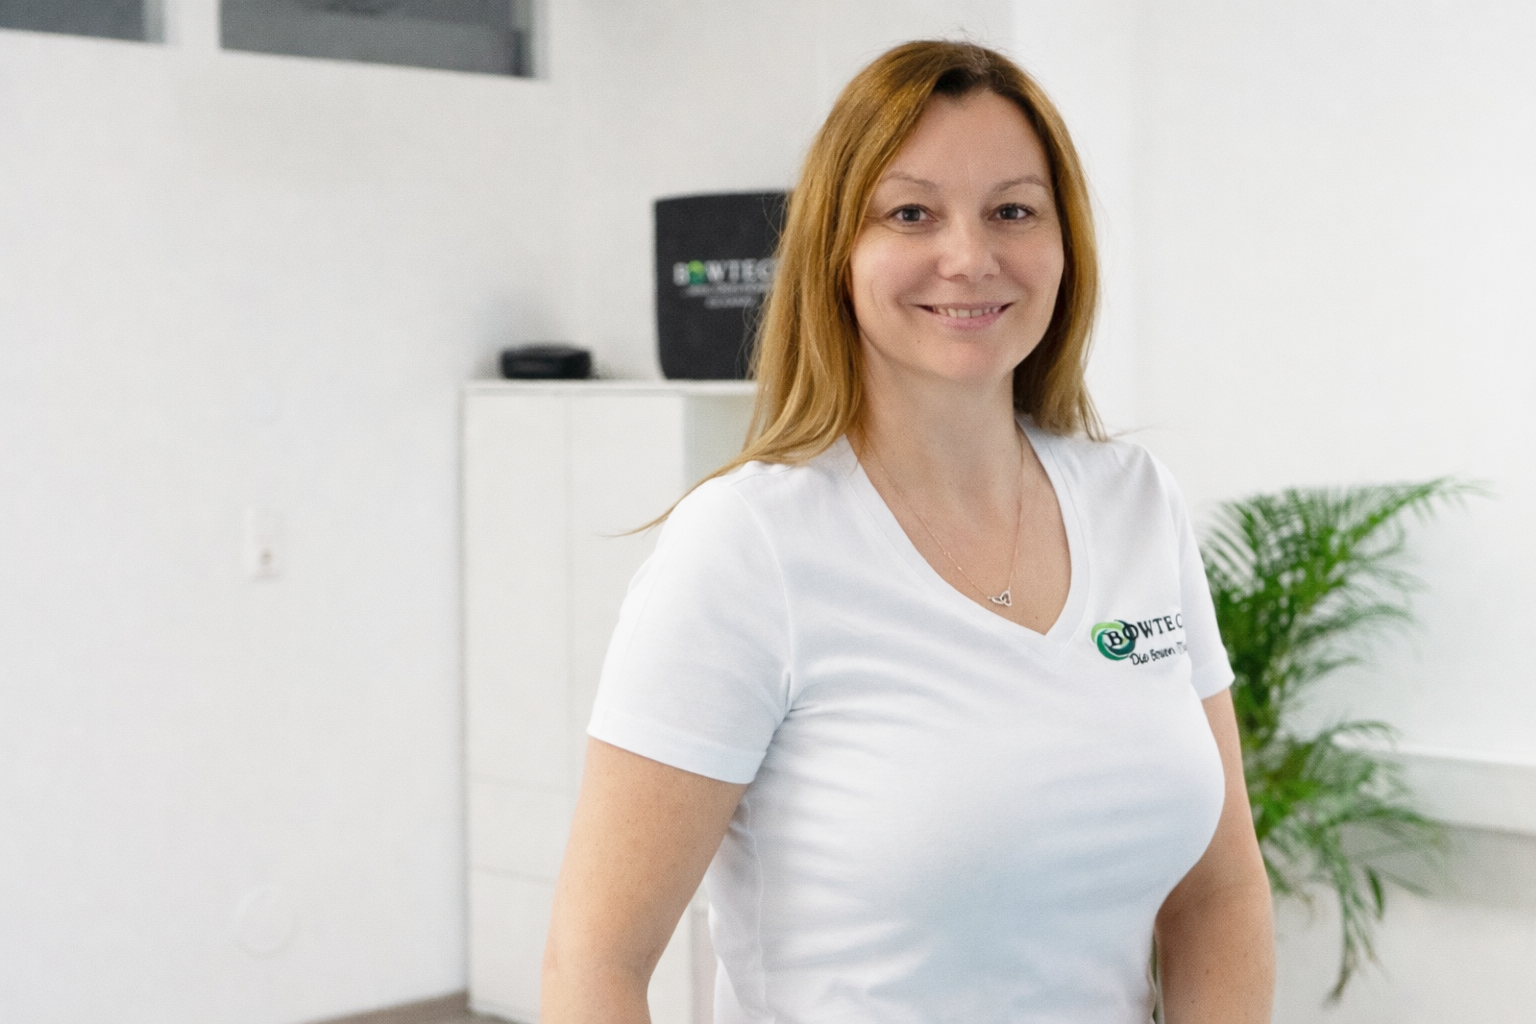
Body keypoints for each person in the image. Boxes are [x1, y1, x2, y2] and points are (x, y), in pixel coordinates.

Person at [542, 40, 1274, 1024]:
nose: (969, 257)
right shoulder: (748, 545)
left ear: (1065, 245)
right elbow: (593, 962)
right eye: (911, 213)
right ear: (837, 250)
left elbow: (1219, 894)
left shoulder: (1136, 503)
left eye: (1013, 210)